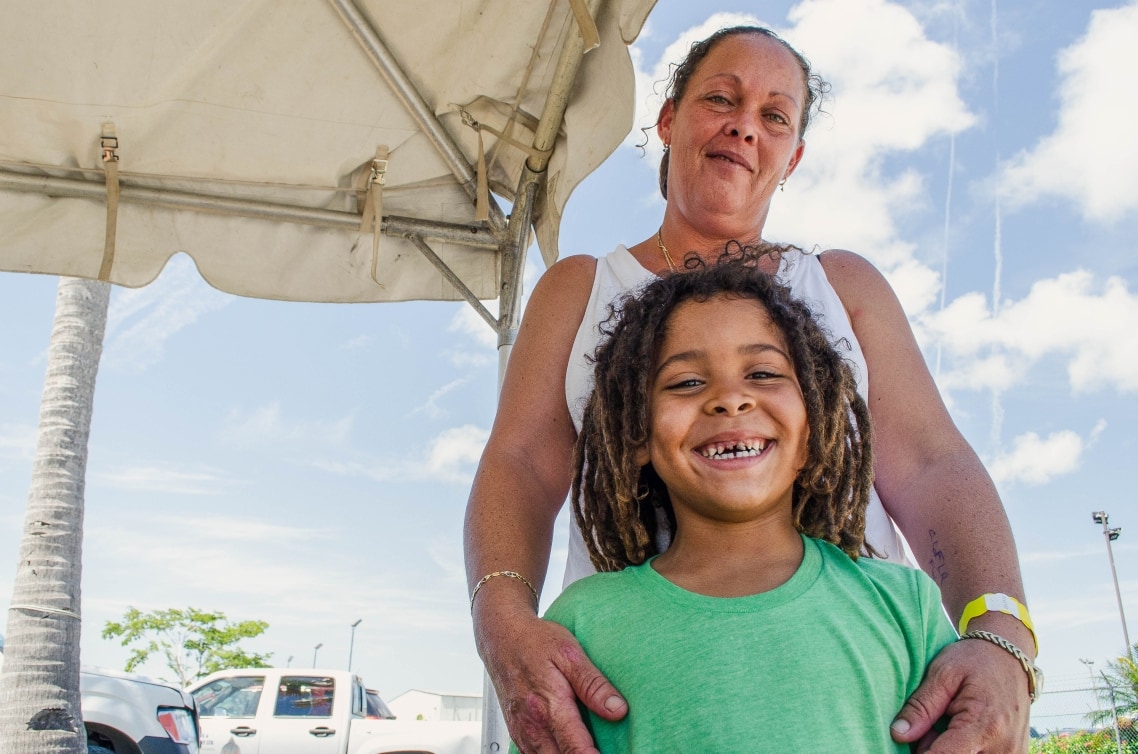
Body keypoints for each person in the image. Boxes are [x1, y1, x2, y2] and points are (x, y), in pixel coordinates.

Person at [465, 25, 1037, 753]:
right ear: (669, 119)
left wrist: (1002, 633)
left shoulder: (841, 285)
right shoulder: (579, 287)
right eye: (720, 98)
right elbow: (519, 462)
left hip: (851, 675)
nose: (744, 124)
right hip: (635, 683)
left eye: (775, 115)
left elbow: (932, 464)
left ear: (792, 156)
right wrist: (503, 622)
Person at [541, 252, 957, 751]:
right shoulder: (580, 625)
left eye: (762, 374)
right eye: (687, 382)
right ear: (636, 435)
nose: (729, 398)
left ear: (813, 430)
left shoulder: (906, 606)